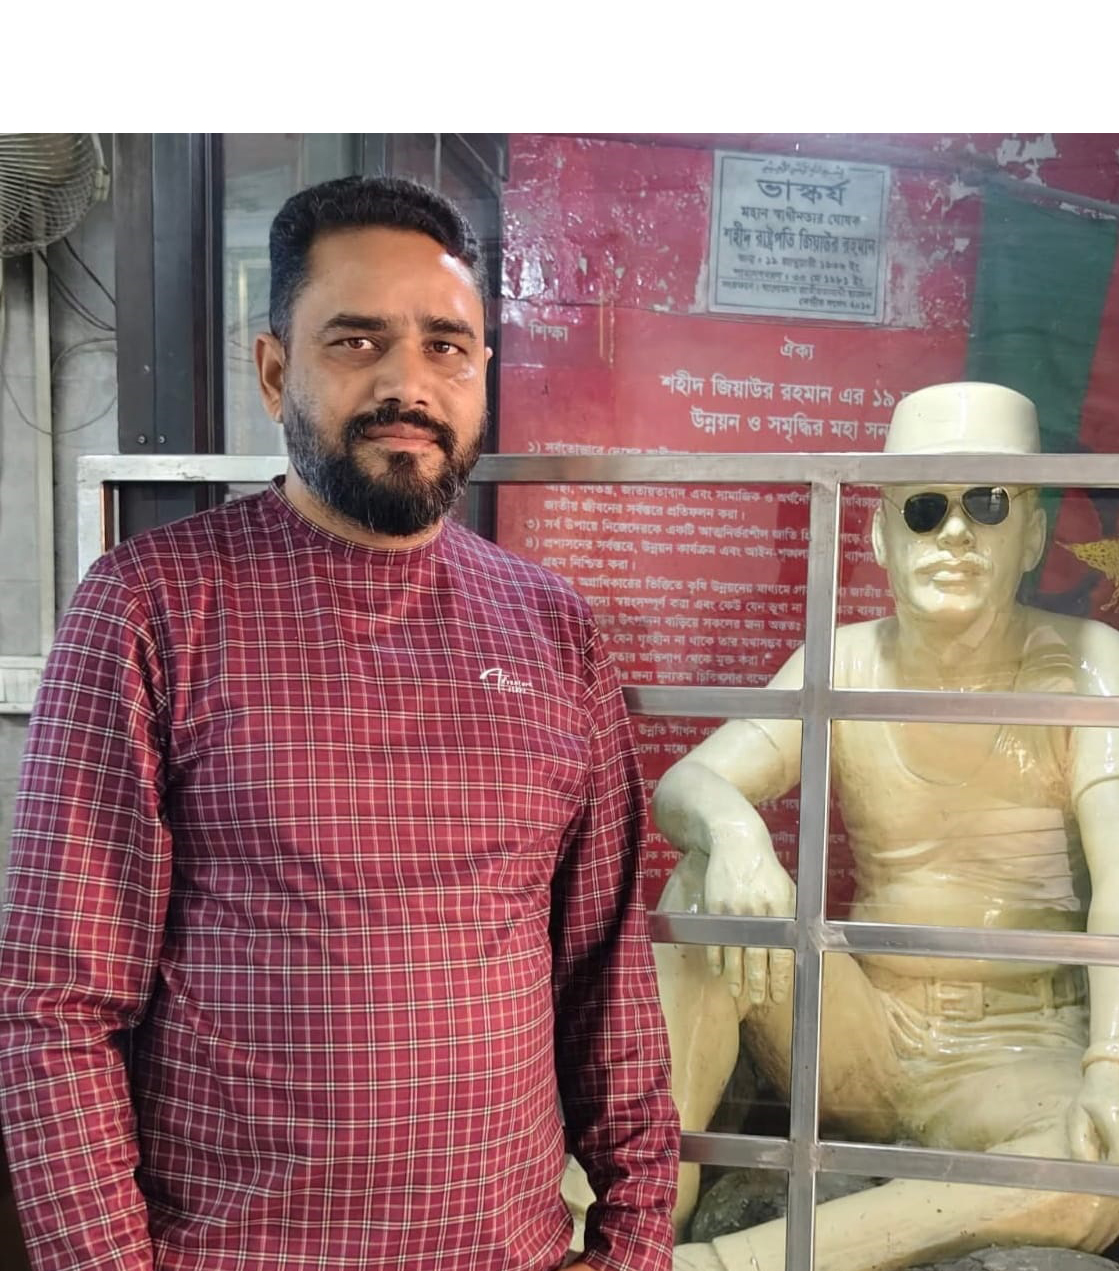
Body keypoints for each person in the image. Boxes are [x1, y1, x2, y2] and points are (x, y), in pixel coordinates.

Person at [0, 175, 679, 1271]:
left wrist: (636, 1240)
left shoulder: (555, 628)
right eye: (357, 341)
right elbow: (55, 1005)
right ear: (275, 371)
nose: (407, 382)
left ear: (480, 374)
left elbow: (606, 967)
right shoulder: (152, 608)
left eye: (445, 347)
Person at [654, 382, 1119, 1271]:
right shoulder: (841, 661)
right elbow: (688, 782)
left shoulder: (1094, 668)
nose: (955, 535)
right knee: (705, 889)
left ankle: (722, 1265)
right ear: (880, 535)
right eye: (925, 508)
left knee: (1107, 1166)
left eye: (987, 504)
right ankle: (638, 1216)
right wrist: (738, 836)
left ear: (1033, 535)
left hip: (1016, 1052)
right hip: (860, 1032)